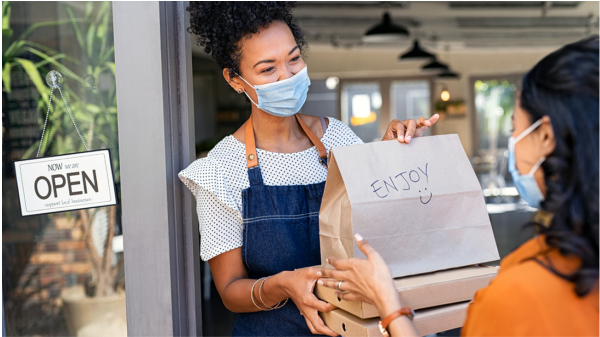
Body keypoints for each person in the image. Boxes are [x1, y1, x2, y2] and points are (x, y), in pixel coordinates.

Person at [178, 2, 439, 336]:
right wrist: (283, 285)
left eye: (294, 59)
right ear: (235, 79)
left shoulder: (338, 139)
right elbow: (230, 290)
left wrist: (388, 155)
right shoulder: (219, 170)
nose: (287, 76)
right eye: (268, 69)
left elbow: (374, 216)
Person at [319, 35, 599, 336]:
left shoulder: (521, 296)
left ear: (544, 136)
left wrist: (388, 304)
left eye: (514, 127)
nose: (512, 141)